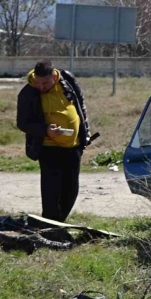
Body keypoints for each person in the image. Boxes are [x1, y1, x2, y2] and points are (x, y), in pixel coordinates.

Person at [17, 60, 91, 222]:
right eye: (38, 82)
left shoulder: (67, 80)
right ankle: (49, 223)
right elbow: (22, 122)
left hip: (73, 146)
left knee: (71, 189)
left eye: (45, 83)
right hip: (48, 147)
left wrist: (85, 134)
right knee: (51, 190)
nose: (41, 86)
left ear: (54, 77)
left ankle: (58, 222)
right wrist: (46, 131)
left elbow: (80, 106)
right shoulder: (28, 93)